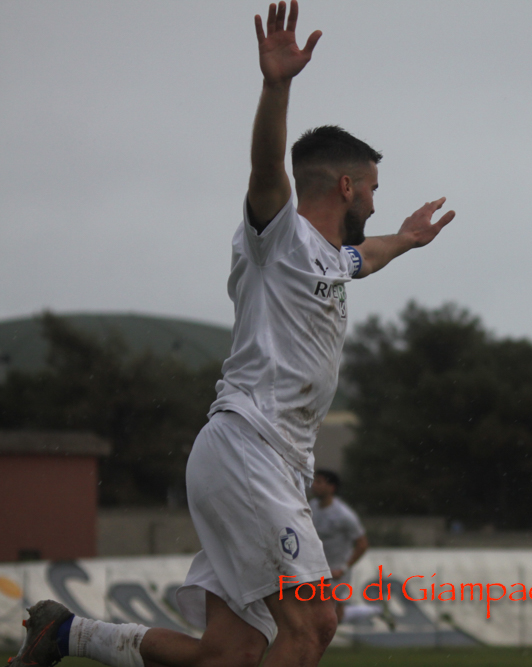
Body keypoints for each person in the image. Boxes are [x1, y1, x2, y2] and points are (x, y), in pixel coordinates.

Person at [10, 3, 453, 667]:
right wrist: (276, 87)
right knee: (312, 625)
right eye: (372, 190)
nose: (375, 202)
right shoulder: (279, 236)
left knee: (232, 652)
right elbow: (266, 169)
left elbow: (370, 253)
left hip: (267, 463)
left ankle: (67, 634)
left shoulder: (332, 259)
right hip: (250, 451)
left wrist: (410, 240)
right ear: (346, 185)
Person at [309, 470, 385, 626]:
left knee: (328, 616)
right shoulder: (312, 507)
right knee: (328, 616)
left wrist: (343, 568)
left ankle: (376, 610)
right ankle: (376, 610)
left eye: (319, 482)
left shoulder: (344, 515)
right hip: (317, 570)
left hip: (337, 573)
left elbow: (362, 544)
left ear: (332, 487)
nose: (314, 485)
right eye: (314, 481)